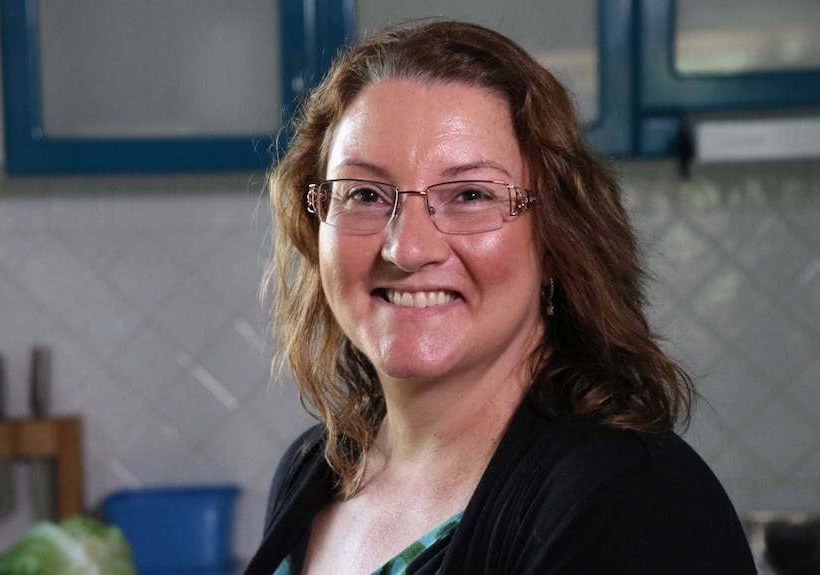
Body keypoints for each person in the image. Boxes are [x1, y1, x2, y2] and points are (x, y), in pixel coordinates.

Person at [245, 20, 757, 575]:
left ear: (558, 239)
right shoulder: (313, 469)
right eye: (365, 194)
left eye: (470, 194)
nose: (407, 248)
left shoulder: (634, 505)